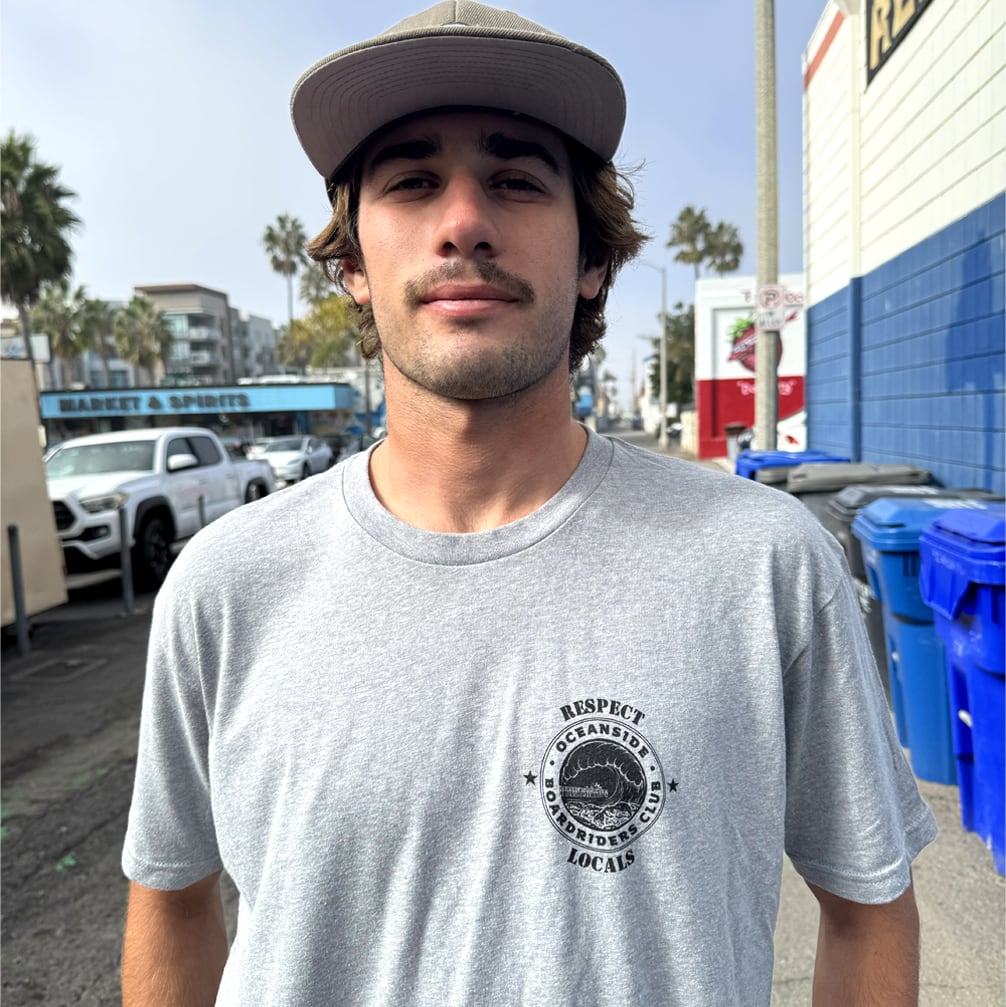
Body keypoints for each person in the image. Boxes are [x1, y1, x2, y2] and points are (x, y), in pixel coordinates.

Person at [121, 3, 936, 1004]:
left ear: (593, 258)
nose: (463, 220)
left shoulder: (759, 562)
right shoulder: (224, 583)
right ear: (351, 265)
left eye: (515, 179)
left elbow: (866, 907)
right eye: (412, 181)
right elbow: (171, 902)